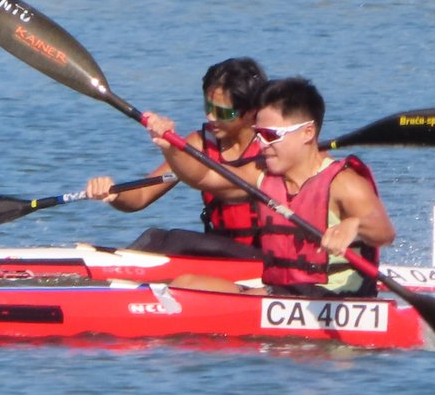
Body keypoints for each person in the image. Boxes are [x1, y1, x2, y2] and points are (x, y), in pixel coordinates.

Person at [144, 76, 395, 297]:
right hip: (284, 293)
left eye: (271, 135)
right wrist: (170, 149)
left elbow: (384, 232)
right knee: (186, 285)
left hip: (336, 299)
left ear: (308, 132)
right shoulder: (261, 174)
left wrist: (354, 225)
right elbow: (204, 178)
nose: (262, 143)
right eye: (259, 134)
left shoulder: (343, 182)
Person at [86, 58, 268, 257]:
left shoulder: (273, 149)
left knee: (177, 240)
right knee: (154, 237)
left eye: (222, 112)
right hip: (220, 256)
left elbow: (227, 186)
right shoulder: (200, 143)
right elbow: (141, 197)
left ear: (251, 113)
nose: (211, 118)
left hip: (263, 259)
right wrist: (115, 194)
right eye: (208, 108)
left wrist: (171, 148)